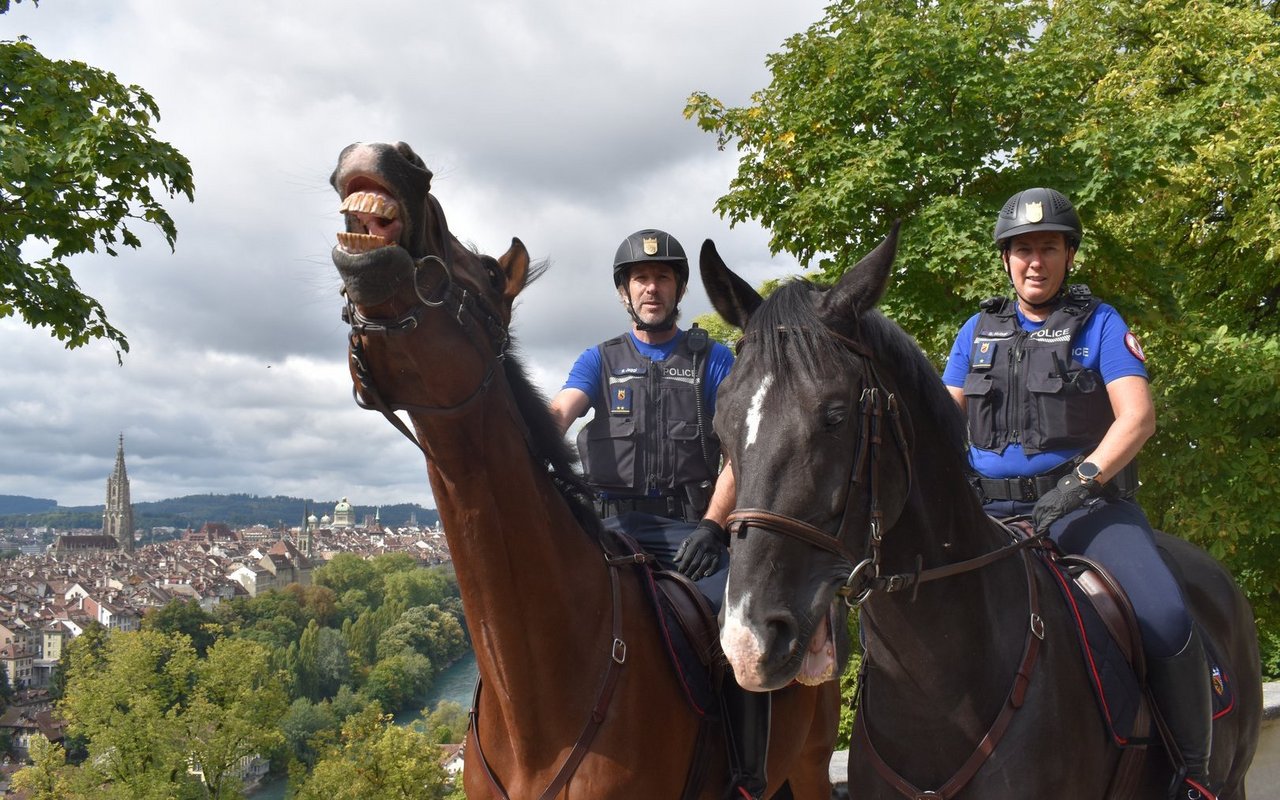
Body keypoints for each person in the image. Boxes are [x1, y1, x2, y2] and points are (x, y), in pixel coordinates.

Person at [941, 187, 1216, 800]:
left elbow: (1137, 418)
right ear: (1006, 259)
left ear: (1068, 254)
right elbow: (943, 418)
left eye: (1047, 247)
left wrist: (1080, 482)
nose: (1033, 261)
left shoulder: (1101, 323)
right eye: (1021, 250)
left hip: (1083, 509)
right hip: (987, 512)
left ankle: (1193, 775)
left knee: (1167, 618)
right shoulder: (976, 330)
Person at [549, 228, 767, 800]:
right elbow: (560, 414)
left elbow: (743, 451)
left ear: (678, 289)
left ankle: (746, 774)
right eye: (640, 279)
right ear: (625, 292)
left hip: (690, 529)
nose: (652, 287)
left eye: (663, 277)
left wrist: (713, 526)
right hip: (610, 529)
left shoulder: (712, 360)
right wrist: (522, 435)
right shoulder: (598, 360)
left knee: (742, 628)